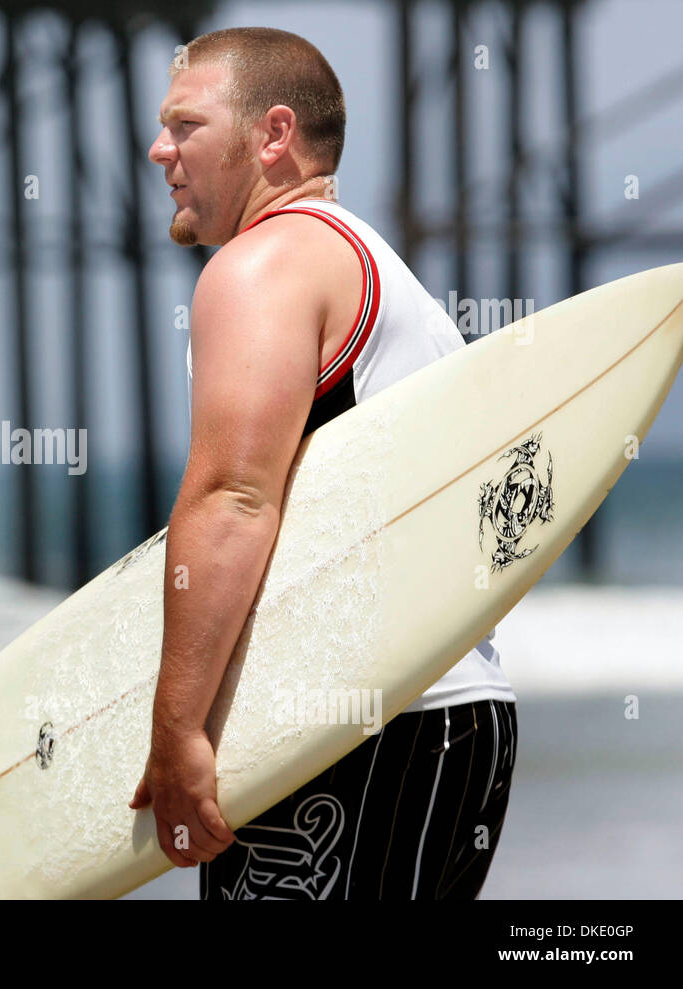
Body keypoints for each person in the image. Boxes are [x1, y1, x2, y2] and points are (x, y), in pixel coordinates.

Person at [128, 27, 517, 900]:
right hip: (457, 720)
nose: (159, 150)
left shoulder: (264, 265)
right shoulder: (382, 272)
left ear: (271, 136)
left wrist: (179, 726)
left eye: (184, 125)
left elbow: (234, 495)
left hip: (355, 733)